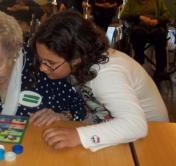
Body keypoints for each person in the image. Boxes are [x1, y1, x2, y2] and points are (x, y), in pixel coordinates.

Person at [31, 11, 169, 151]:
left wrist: (79, 136)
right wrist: (65, 116)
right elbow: (98, 109)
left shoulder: (106, 75)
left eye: (51, 63)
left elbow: (136, 125)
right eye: (41, 60)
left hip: (151, 140)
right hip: (123, 133)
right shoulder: (81, 63)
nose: (42, 68)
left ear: (76, 58)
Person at [120, 0, 170, 83]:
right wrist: (139, 17)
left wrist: (157, 21)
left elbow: (166, 14)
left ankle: (160, 70)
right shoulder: (131, 2)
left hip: (154, 28)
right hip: (139, 28)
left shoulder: (157, 1)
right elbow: (123, 15)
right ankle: (139, 63)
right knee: (139, 35)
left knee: (160, 36)